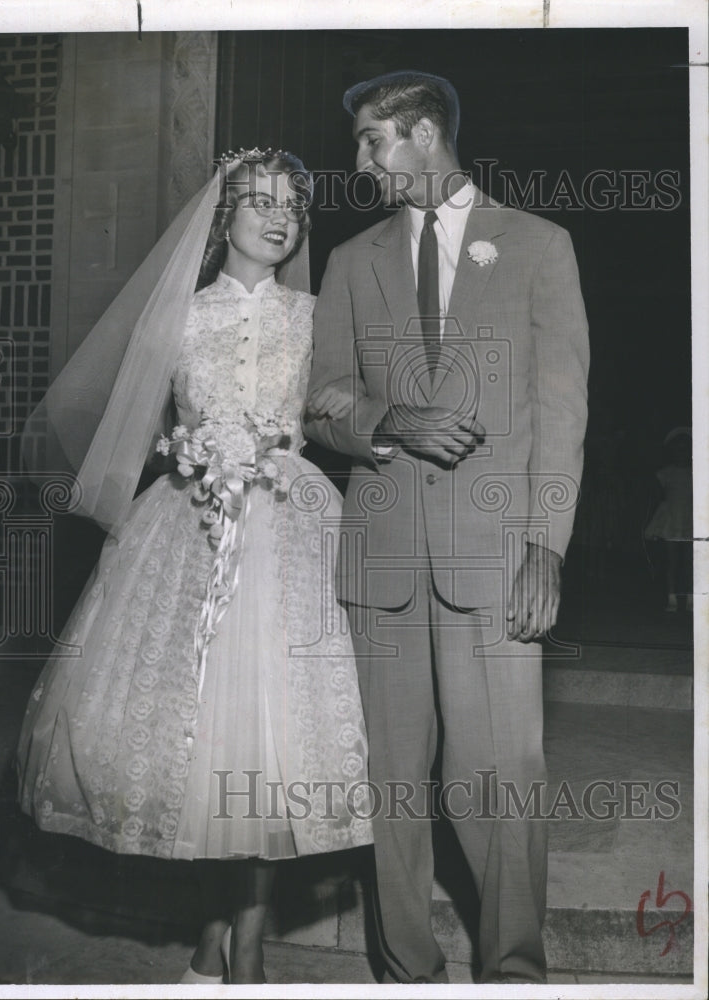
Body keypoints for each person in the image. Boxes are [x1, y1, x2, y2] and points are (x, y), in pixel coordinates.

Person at [16, 148, 372, 985]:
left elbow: (334, 415)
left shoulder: (315, 315)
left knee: (271, 741)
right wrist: (186, 451)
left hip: (291, 529)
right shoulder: (176, 316)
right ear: (225, 217)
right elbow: (114, 427)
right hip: (187, 531)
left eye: (293, 205)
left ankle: (241, 942)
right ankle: (214, 929)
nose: (279, 217)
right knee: (197, 743)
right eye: (260, 202)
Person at [304, 71, 589, 984]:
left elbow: (561, 410)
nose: (361, 162)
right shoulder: (350, 260)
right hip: (379, 563)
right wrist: (387, 421)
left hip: (497, 557)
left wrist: (546, 543)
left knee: (501, 783)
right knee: (391, 792)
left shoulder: (538, 245)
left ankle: (512, 970)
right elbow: (321, 401)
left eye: (371, 141)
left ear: (423, 134)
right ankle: (405, 975)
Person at [645, 427, 692, 613]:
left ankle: (690, 599)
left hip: (690, 521)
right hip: (672, 521)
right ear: (672, 451)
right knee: (672, 562)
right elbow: (659, 500)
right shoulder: (664, 473)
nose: (681, 453)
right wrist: (656, 522)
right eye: (678, 449)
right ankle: (671, 597)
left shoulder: (696, 472)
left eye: (685, 449)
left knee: (690, 562)